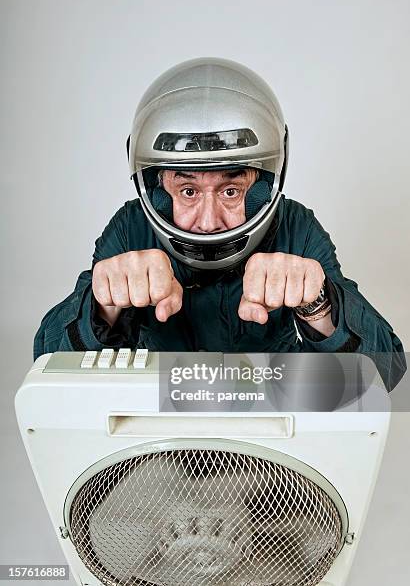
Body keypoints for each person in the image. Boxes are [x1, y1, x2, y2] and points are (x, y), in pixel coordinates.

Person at [33, 58, 406, 391]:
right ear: (157, 187)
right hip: (163, 437)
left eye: (230, 190)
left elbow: (386, 373)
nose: (209, 223)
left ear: (262, 185)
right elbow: (46, 366)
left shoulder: (295, 226)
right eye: (188, 191)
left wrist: (319, 304)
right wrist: (103, 307)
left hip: (270, 435)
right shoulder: (132, 228)